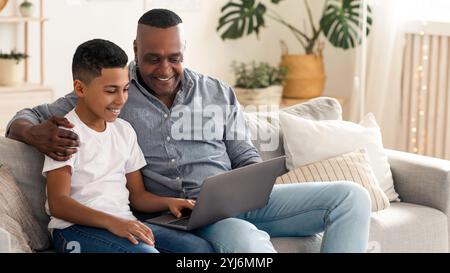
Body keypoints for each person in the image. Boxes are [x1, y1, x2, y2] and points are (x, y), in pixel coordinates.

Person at [7, 9, 371, 253]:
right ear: (136, 49)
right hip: (180, 217)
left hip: (236, 200)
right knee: (246, 245)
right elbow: (22, 117)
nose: (165, 68)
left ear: (185, 51)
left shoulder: (217, 91)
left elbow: (244, 153)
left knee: (351, 197)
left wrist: (251, 179)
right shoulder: (113, 92)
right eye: (153, 58)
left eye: (174, 57)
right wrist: (34, 133)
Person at [41, 38, 214, 253]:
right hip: (74, 229)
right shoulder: (65, 135)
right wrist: (113, 222)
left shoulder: (124, 130)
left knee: (199, 250)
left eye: (125, 89)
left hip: (123, 222)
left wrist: (169, 202)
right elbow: (59, 203)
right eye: (111, 90)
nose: (121, 99)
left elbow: (138, 196)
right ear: (80, 88)